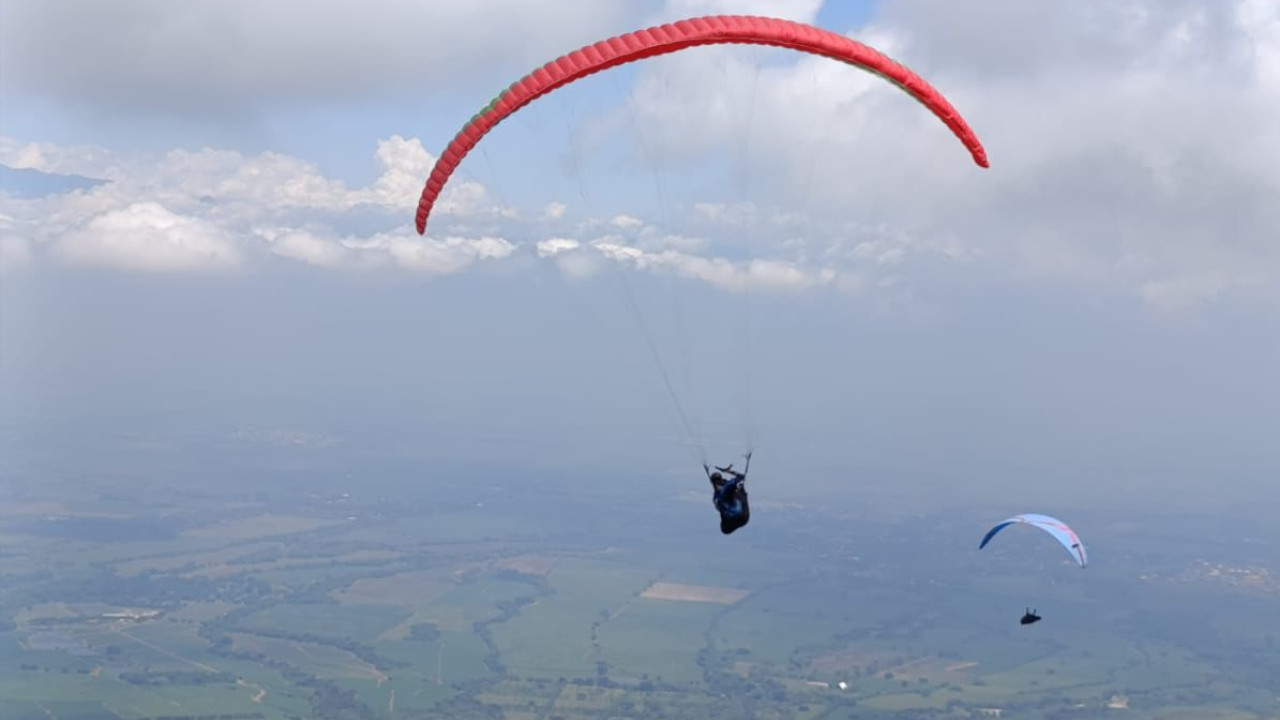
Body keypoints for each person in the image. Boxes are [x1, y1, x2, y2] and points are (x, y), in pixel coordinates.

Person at [706, 452, 751, 535]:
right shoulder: (726, 489)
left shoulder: (717, 496)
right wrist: (729, 471)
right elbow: (741, 477)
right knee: (740, 490)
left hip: (739, 519)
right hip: (743, 515)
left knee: (724, 530)